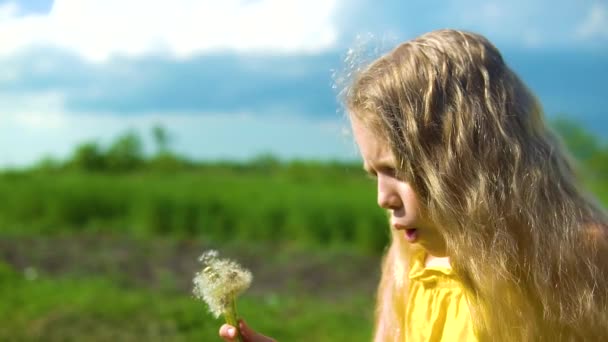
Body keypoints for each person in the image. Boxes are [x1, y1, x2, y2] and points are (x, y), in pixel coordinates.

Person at [220, 29, 608, 341]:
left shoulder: (578, 257)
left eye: (399, 171)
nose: (383, 199)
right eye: (375, 174)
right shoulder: (408, 263)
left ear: (468, 162)